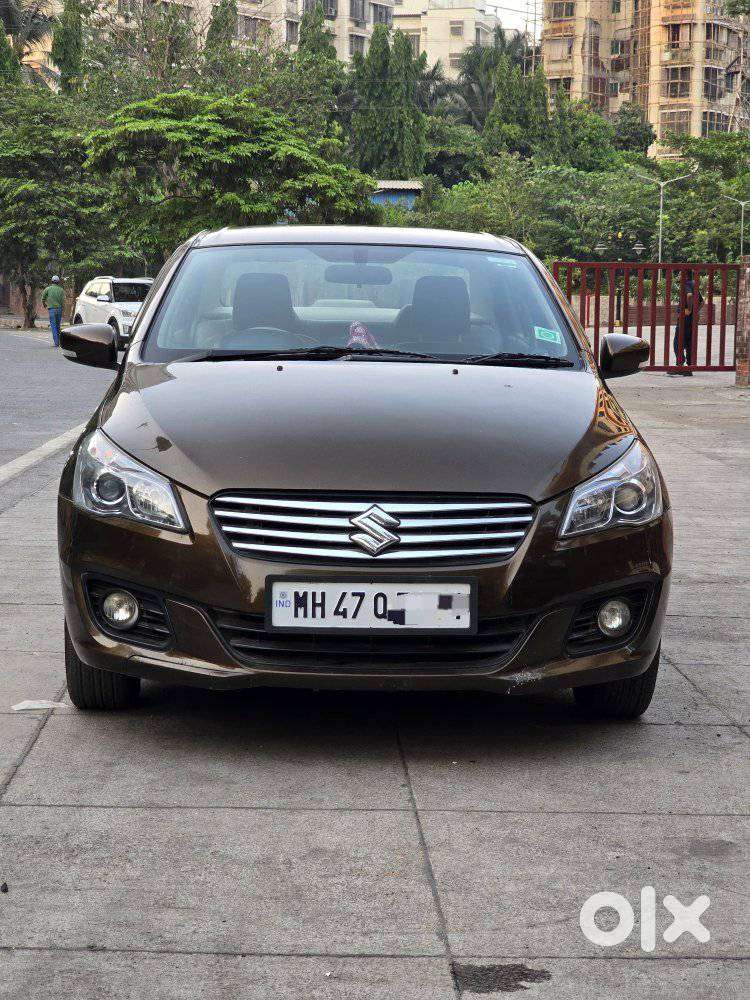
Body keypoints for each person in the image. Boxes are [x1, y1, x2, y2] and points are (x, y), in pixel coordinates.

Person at [672, 271, 703, 376]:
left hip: (684, 319)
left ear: (685, 276)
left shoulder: (685, 285)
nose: (678, 276)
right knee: (690, 342)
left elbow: (689, 296)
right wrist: (695, 312)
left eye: (680, 274)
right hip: (692, 319)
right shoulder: (694, 284)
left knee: (678, 341)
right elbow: (702, 302)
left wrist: (689, 310)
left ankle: (680, 365)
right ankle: (689, 367)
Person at [41, 275, 65, 347]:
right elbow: (63, 301)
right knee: (58, 326)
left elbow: (43, 298)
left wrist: (44, 305)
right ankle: (60, 342)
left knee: (53, 326)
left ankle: (56, 343)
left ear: (51, 281)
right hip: (59, 309)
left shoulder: (48, 289)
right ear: (58, 282)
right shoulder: (61, 290)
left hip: (52, 310)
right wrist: (63, 310)